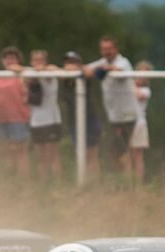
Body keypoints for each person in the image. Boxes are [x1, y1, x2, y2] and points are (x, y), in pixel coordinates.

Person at [84, 36, 136, 174]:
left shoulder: (123, 62)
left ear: (116, 49)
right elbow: (87, 69)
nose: (106, 52)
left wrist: (104, 69)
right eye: (103, 49)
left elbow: (118, 70)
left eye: (109, 49)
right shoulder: (102, 62)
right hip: (113, 116)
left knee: (123, 151)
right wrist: (97, 70)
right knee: (112, 152)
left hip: (127, 115)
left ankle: (128, 182)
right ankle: (120, 180)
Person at [12, 50, 63, 181]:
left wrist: (44, 68)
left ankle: (59, 184)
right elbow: (14, 67)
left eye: (41, 60)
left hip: (51, 121)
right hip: (36, 121)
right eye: (35, 60)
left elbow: (54, 70)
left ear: (45, 61)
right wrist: (27, 71)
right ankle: (43, 186)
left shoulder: (49, 73)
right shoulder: (31, 74)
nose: (38, 63)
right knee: (40, 157)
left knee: (53, 156)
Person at [61, 51, 101, 180]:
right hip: (74, 121)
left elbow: (89, 71)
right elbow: (50, 68)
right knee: (79, 154)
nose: (69, 65)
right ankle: (84, 181)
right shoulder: (64, 78)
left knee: (91, 154)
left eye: (73, 62)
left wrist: (78, 68)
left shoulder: (84, 75)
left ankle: (93, 184)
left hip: (89, 119)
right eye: (67, 62)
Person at [0, 47, 31, 178]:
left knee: (20, 151)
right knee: (5, 151)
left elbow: (31, 76)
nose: (9, 61)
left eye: (12, 58)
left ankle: (23, 182)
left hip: (18, 118)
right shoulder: (0, 76)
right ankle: (8, 181)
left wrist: (19, 69)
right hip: (1, 118)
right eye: (6, 58)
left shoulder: (22, 75)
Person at [129, 61, 152, 183]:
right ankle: (128, 181)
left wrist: (130, 86)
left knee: (138, 155)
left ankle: (138, 183)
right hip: (127, 122)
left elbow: (137, 95)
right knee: (128, 154)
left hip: (139, 124)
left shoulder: (146, 91)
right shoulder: (129, 85)